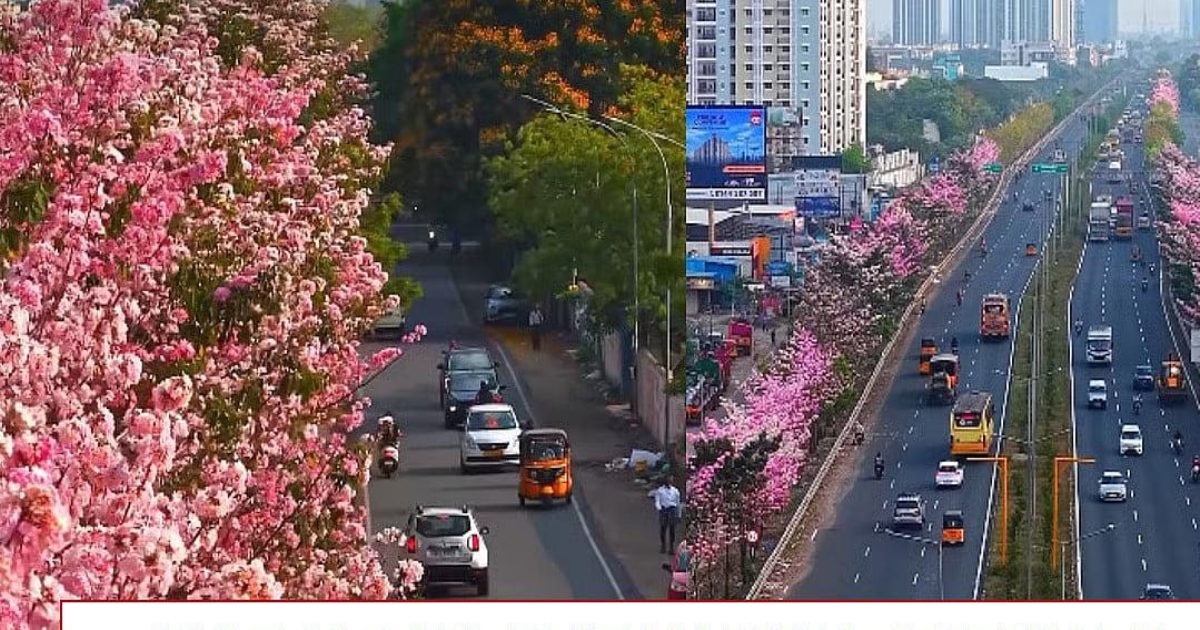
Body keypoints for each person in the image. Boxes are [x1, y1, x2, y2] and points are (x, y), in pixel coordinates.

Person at [649, 476, 681, 554]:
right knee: (663, 528)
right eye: (668, 481)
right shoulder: (660, 490)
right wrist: (659, 509)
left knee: (672, 530)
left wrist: (679, 514)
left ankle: (671, 547)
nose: (669, 482)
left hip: (672, 510)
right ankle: (663, 546)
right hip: (664, 509)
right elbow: (657, 501)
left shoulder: (675, 491)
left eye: (670, 481)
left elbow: (678, 503)